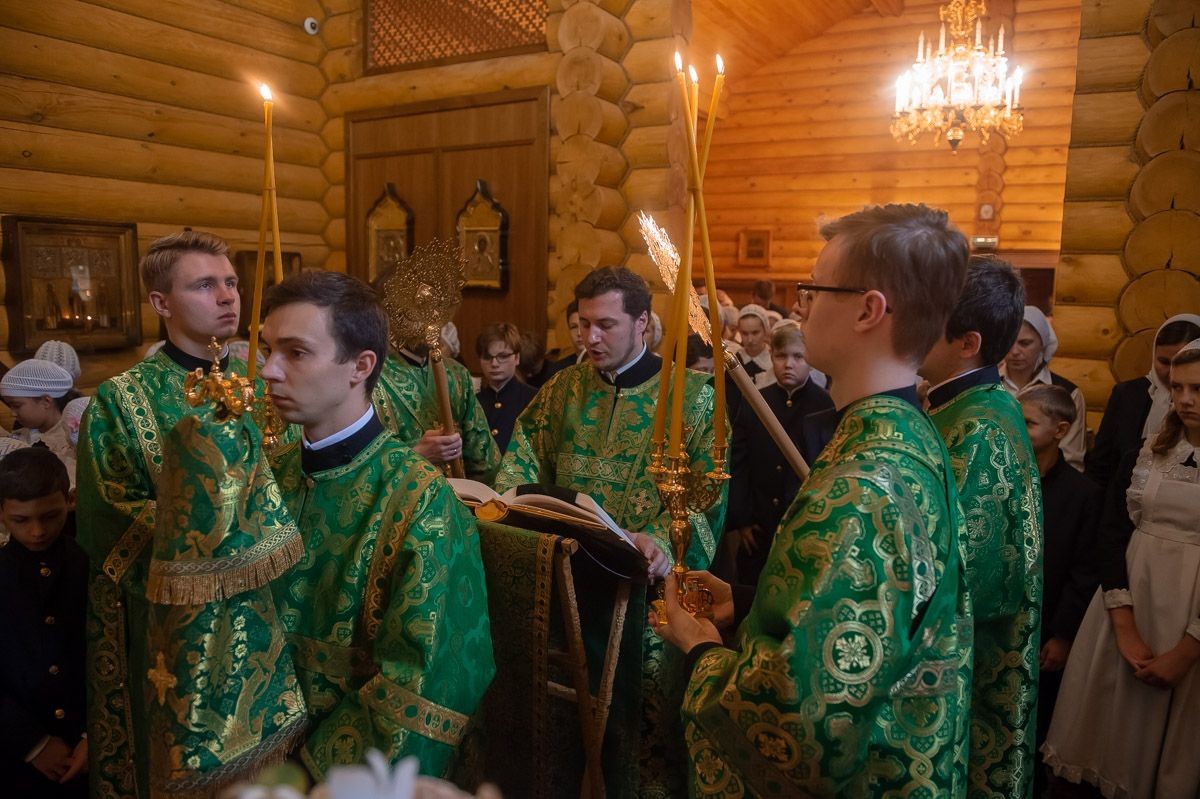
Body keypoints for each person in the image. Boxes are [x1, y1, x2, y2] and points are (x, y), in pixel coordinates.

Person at [652, 203, 972, 796]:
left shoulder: (866, 484)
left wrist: (701, 653)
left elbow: (803, 728)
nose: (801, 306)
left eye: (815, 288)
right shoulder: (902, 431)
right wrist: (749, 603)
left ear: (868, 310)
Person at [495, 265, 726, 797]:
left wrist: (660, 540)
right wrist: (507, 502)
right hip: (565, 587)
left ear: (642, 322)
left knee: (639, 747)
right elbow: (522, 461)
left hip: (644, 599)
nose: (590, 338)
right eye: (583, 325)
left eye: (606, 325)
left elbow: (706, 499)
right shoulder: (563, 389)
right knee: (560, 731)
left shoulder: (692, 397)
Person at [261, 271, 495, 779]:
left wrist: (308, 779)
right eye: (267, 351)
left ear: (361, 366)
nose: (269, 372)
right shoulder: (262, 477)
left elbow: (419, 686)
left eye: (295, 353)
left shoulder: (422, 503)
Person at [75, 230, 257, 798]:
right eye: (204, 285)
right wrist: (222, 543)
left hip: (263, 618)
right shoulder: (120, 399)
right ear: (161, 303)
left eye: (231, 283)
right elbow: (109, 513)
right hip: (172, 631)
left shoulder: (260, 389)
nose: (227, 296)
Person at [1043, 341, 1200, 797]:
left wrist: (1188, 649)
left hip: (1189, 614)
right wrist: (1124, 622)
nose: (1185, 399)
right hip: (1130, 601)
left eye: (1198, 389)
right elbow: (1112, 535)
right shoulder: (1146, 454)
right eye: (1177, 387)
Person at [919, 256, 1043, 799]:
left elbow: (969, 575)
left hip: (970, 667)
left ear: (968, 343)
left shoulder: (980, 428)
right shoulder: (963, 406)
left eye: (929, 320)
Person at [1018, 384, 1102, 793]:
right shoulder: (1004, 480)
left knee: (1038, 725)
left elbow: (1085, 570)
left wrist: (1064, 634)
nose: (1017, 429)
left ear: (1061, 430)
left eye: (1028, 423)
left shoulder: (1084, 495)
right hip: (1003, 621)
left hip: (1049, 628)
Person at [0, 447, 88, 798]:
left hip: (89, 750)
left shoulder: (92, 566)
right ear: (2, 513)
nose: (37, 531)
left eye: (51, 515)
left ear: (69, 501)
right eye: (21, 520)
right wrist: (33, 744)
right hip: (15, 757)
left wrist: (94, 734)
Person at [722, 321, 833, 587]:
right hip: (759, 523)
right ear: (771, 356)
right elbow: (739, 461)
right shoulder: (757, 400)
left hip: (803, 523)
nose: (789, 364)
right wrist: (743, 519)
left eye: (798, 356)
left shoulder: (825, 405)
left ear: (810, 359)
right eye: (781, 356)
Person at [1086, 314, 1200, 491]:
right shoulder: (1127, 394)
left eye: (1180, 362)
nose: (1171, 372)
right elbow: (1101, 465)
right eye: (1164, 362)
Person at [372, 337, 500, 483]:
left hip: (459, 494)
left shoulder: (457, 373)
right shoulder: (372, 378)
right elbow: (362, 468)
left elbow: (482, 454)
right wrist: (416, 455)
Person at [1002, 306, 1088, 469]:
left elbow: (1071, 458)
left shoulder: (1068, 393)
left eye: (1025, 343)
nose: (1014, 351)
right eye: (1008, 342)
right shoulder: (988, 385)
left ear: (1043, 343)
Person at [1, 360, 78, 485]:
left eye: (16, 405)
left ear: (46, 401)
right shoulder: (23, 434)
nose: (12, 413)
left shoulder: (69, 443)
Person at [475, 323, 537, 455]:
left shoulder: (534, 399)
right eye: (487, 357)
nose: (494, 363)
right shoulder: (474, 402)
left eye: (502, 356)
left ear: (517, 358)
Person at [734, 304, 775, 389]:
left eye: (755, 333)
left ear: (765, 330)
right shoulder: (734, 359)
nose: (750, 339)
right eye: (744, 333)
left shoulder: (774, 360)